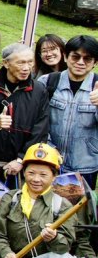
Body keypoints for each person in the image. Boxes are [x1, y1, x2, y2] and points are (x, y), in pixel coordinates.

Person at [0, 43, 50, 182]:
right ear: (6, 63)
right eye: (21, 63)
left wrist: (21, 159)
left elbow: (41, 129)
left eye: (30, 62)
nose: (26, 68)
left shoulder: (39, 91)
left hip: (21, 167)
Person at [40, 34, 98, 187]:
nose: (80, 62)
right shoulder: (47, 82)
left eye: (87, 59)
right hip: (48, 161)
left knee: (78, 210)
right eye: (75, 57)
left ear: (95, 63)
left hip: (85, 167)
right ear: (65, 57)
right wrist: (50, 148)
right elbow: (36, 122)